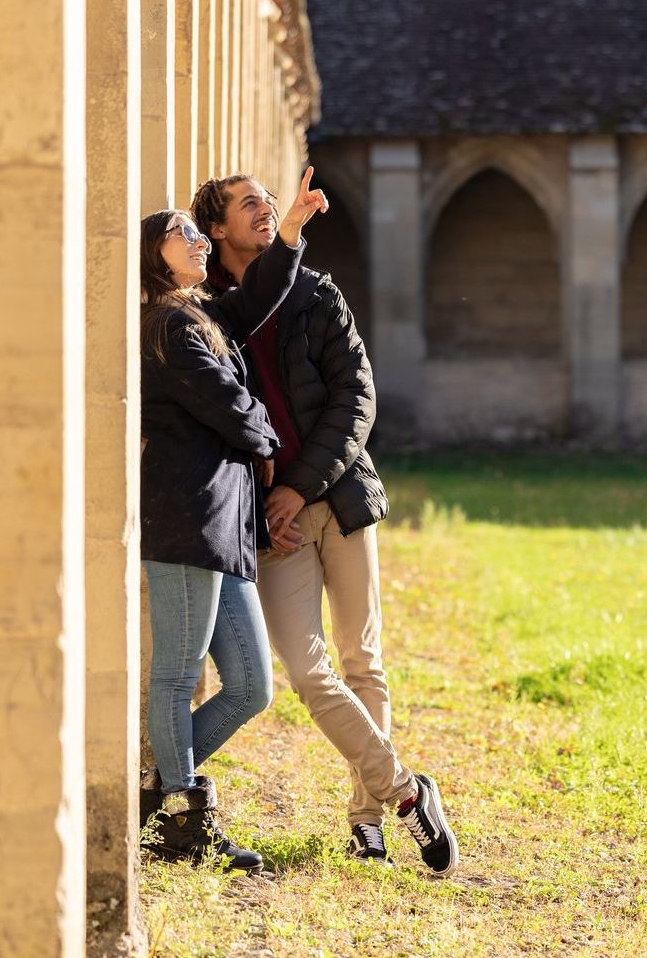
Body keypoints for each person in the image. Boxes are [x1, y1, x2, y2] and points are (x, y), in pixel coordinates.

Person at [190, 173, 457, 875]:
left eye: (266, 201)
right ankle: (407, 791)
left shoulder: (317, 293)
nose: (265, 207)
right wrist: (263, 502)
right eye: (248, 203)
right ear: (216, 228)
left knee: (362, 659)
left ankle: (367, 821)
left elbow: (356, 400)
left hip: (338, 498)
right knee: (309, 672)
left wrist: (298, 486)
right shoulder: (212, 316)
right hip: (271, 524)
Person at [138, 167, 327, 868]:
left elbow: (259, 299)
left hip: (224, 524)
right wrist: (271, 440)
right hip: (187, 517)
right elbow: (232, 408)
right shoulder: (166, 329)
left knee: (251, 685)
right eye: (179, 233)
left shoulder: (205, 315)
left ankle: (162, 795)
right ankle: (181, 813)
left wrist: (288, 233)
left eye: (194, 230)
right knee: (177, 673)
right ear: (154, 258)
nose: (194, 238)